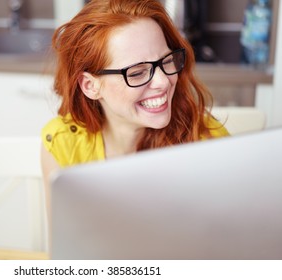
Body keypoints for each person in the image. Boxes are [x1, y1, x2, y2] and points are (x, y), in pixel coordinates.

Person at [41, 0, 229, 190]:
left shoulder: (206, 142)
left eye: (166, 61)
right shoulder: (63, 143)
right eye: (137, 73)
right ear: (90, 86)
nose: (163, 81)